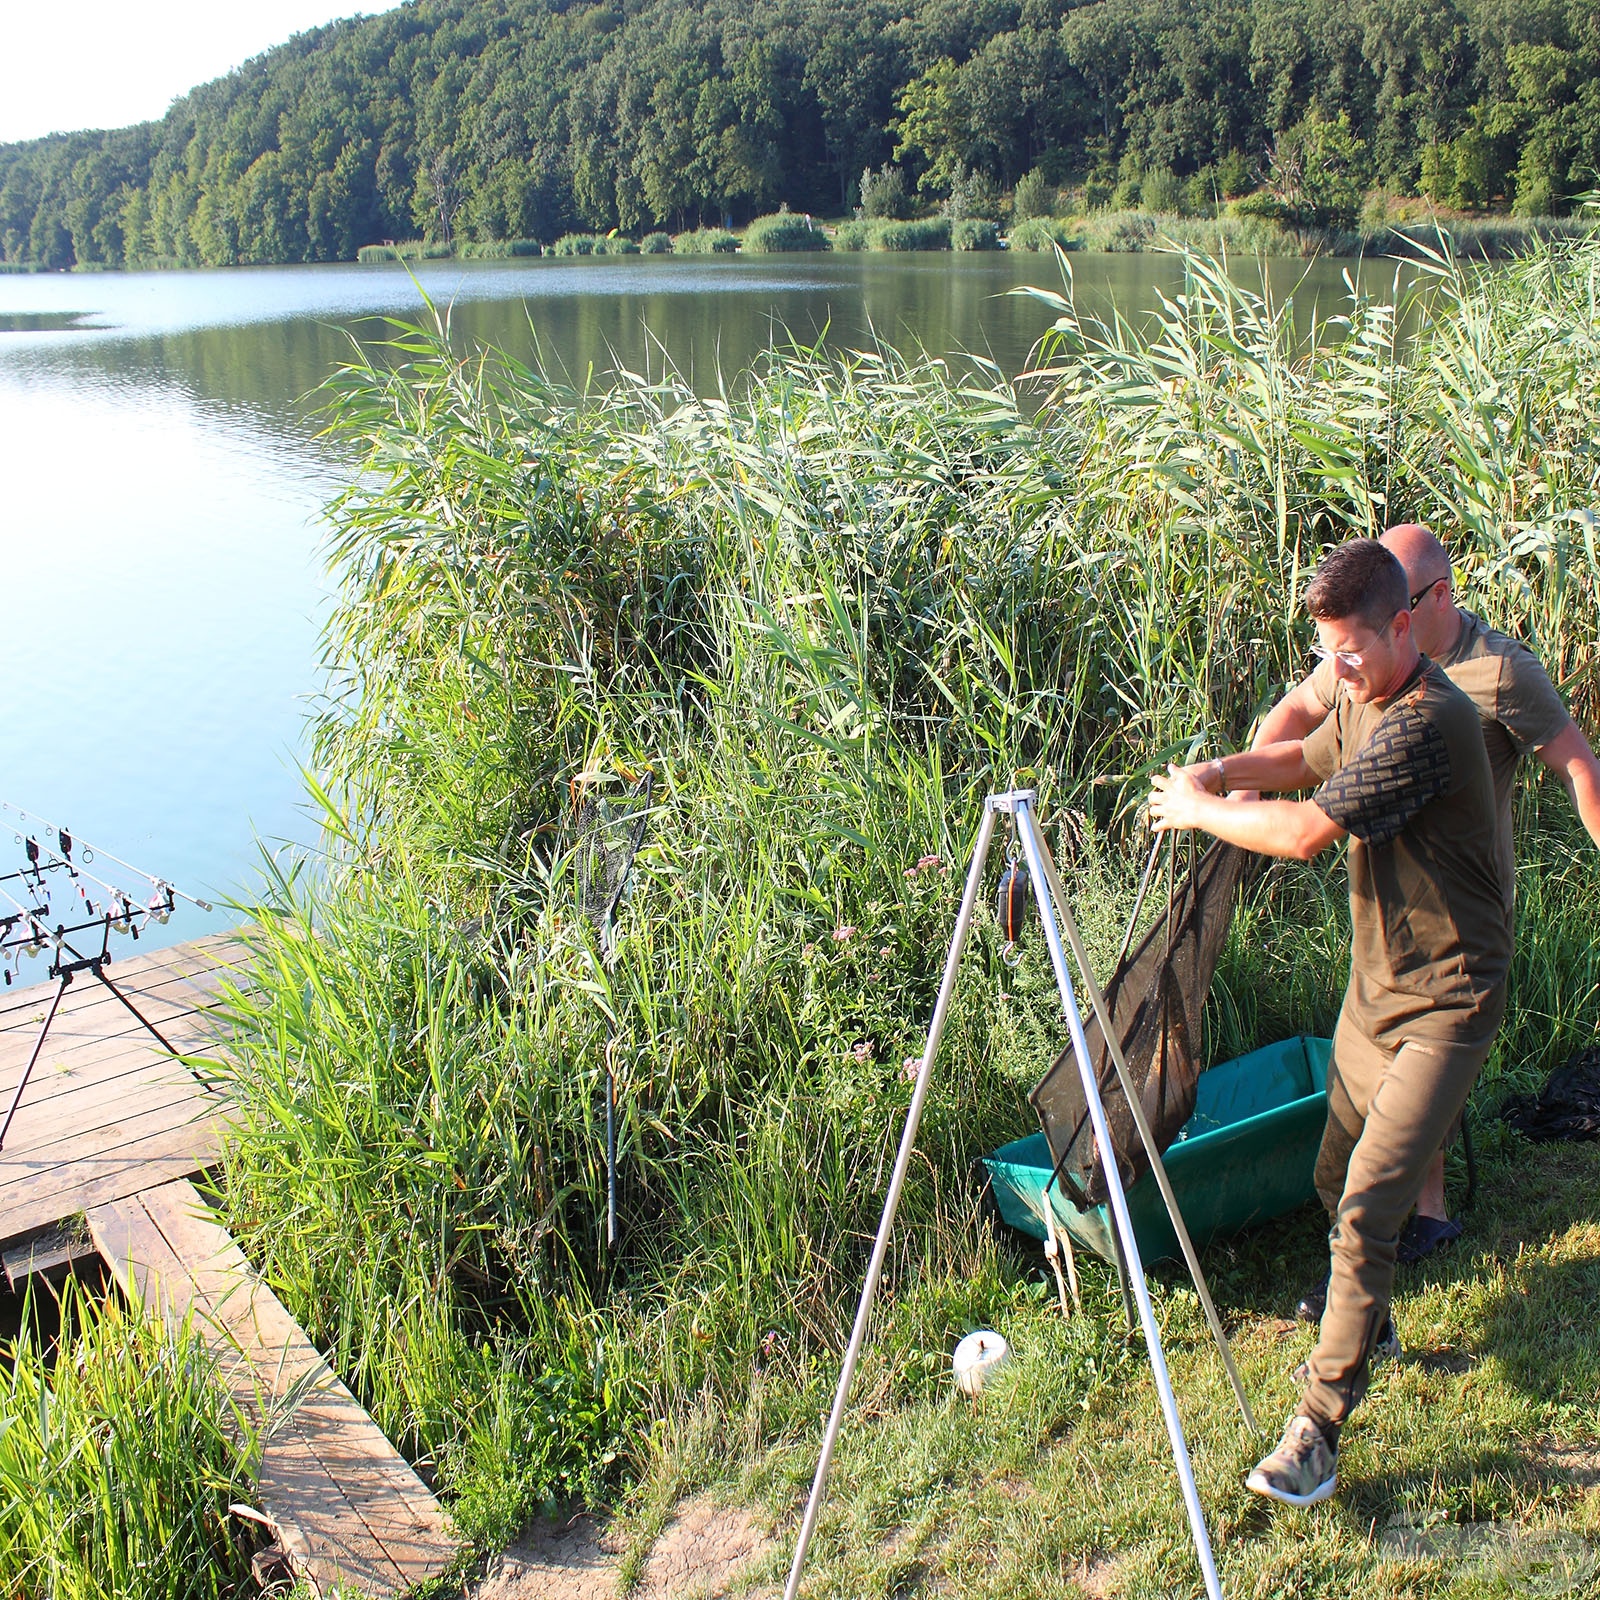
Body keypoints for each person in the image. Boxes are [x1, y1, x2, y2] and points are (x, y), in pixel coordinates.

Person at [1148, 538, 1509, 1505]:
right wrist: (1218, 771)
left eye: (1351, 651)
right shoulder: (1360, 693)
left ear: (1403, 626)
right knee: (1329, 1174)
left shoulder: (1432, 722)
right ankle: (1373, 1317)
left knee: (1365, 1210)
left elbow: (1305, 832)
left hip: (1451, 999)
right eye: (1326, 653)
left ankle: (1316, 1429)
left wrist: (1197, 812)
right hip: (1377, 991)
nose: (1334, 671)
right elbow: (1300, 758)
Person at [1246, 523, 1600, 1296]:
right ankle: (1401, 1224)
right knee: (1388, 1056)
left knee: (1422, 1051)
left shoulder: (1498, 672)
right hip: (1387, 902)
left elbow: (1575, 760)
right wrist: (1241, 793)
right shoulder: (1366, 659)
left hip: (1464, 908)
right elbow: (1294, 720)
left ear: (1432, 600)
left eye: (1401, 605)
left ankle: (1426, 1217)